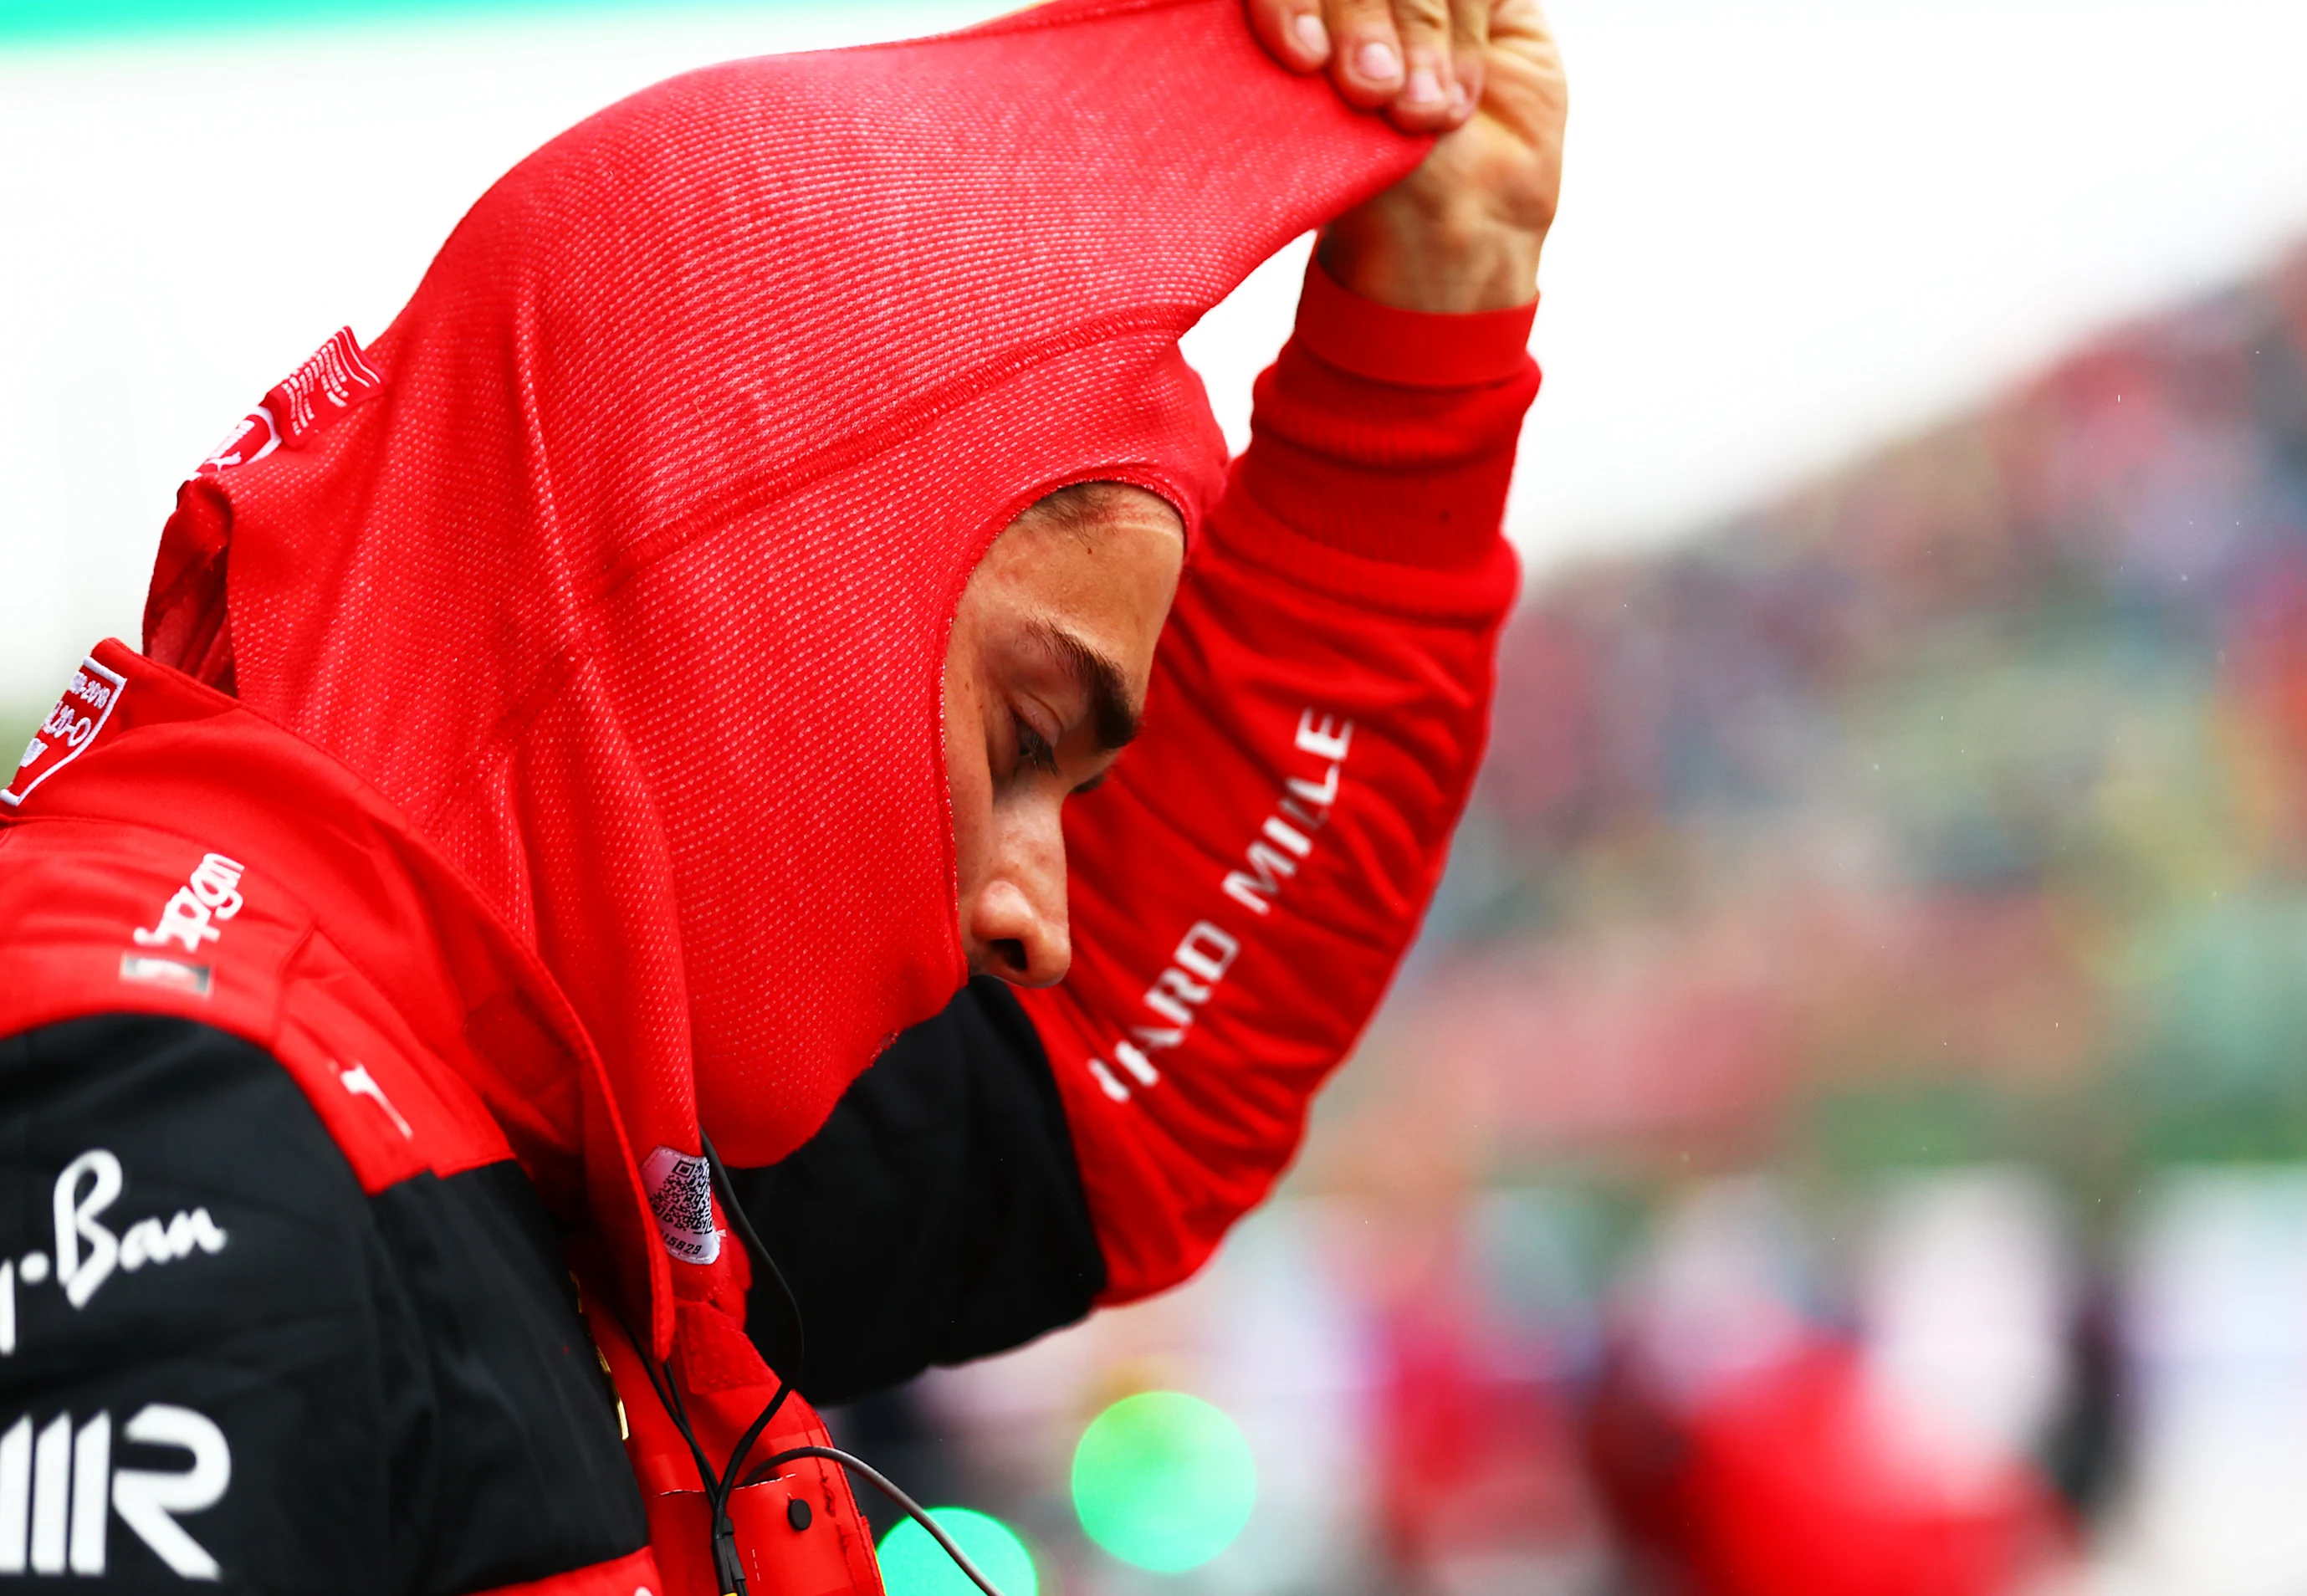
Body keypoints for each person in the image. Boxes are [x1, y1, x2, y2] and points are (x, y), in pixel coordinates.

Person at [0, 0, 1564, 1589]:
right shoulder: (164, 1088)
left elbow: (1112, 1094)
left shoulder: (552, 1091)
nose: (1040, 917)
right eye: (1027, 741)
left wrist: (1428, 332)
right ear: (740, 561)